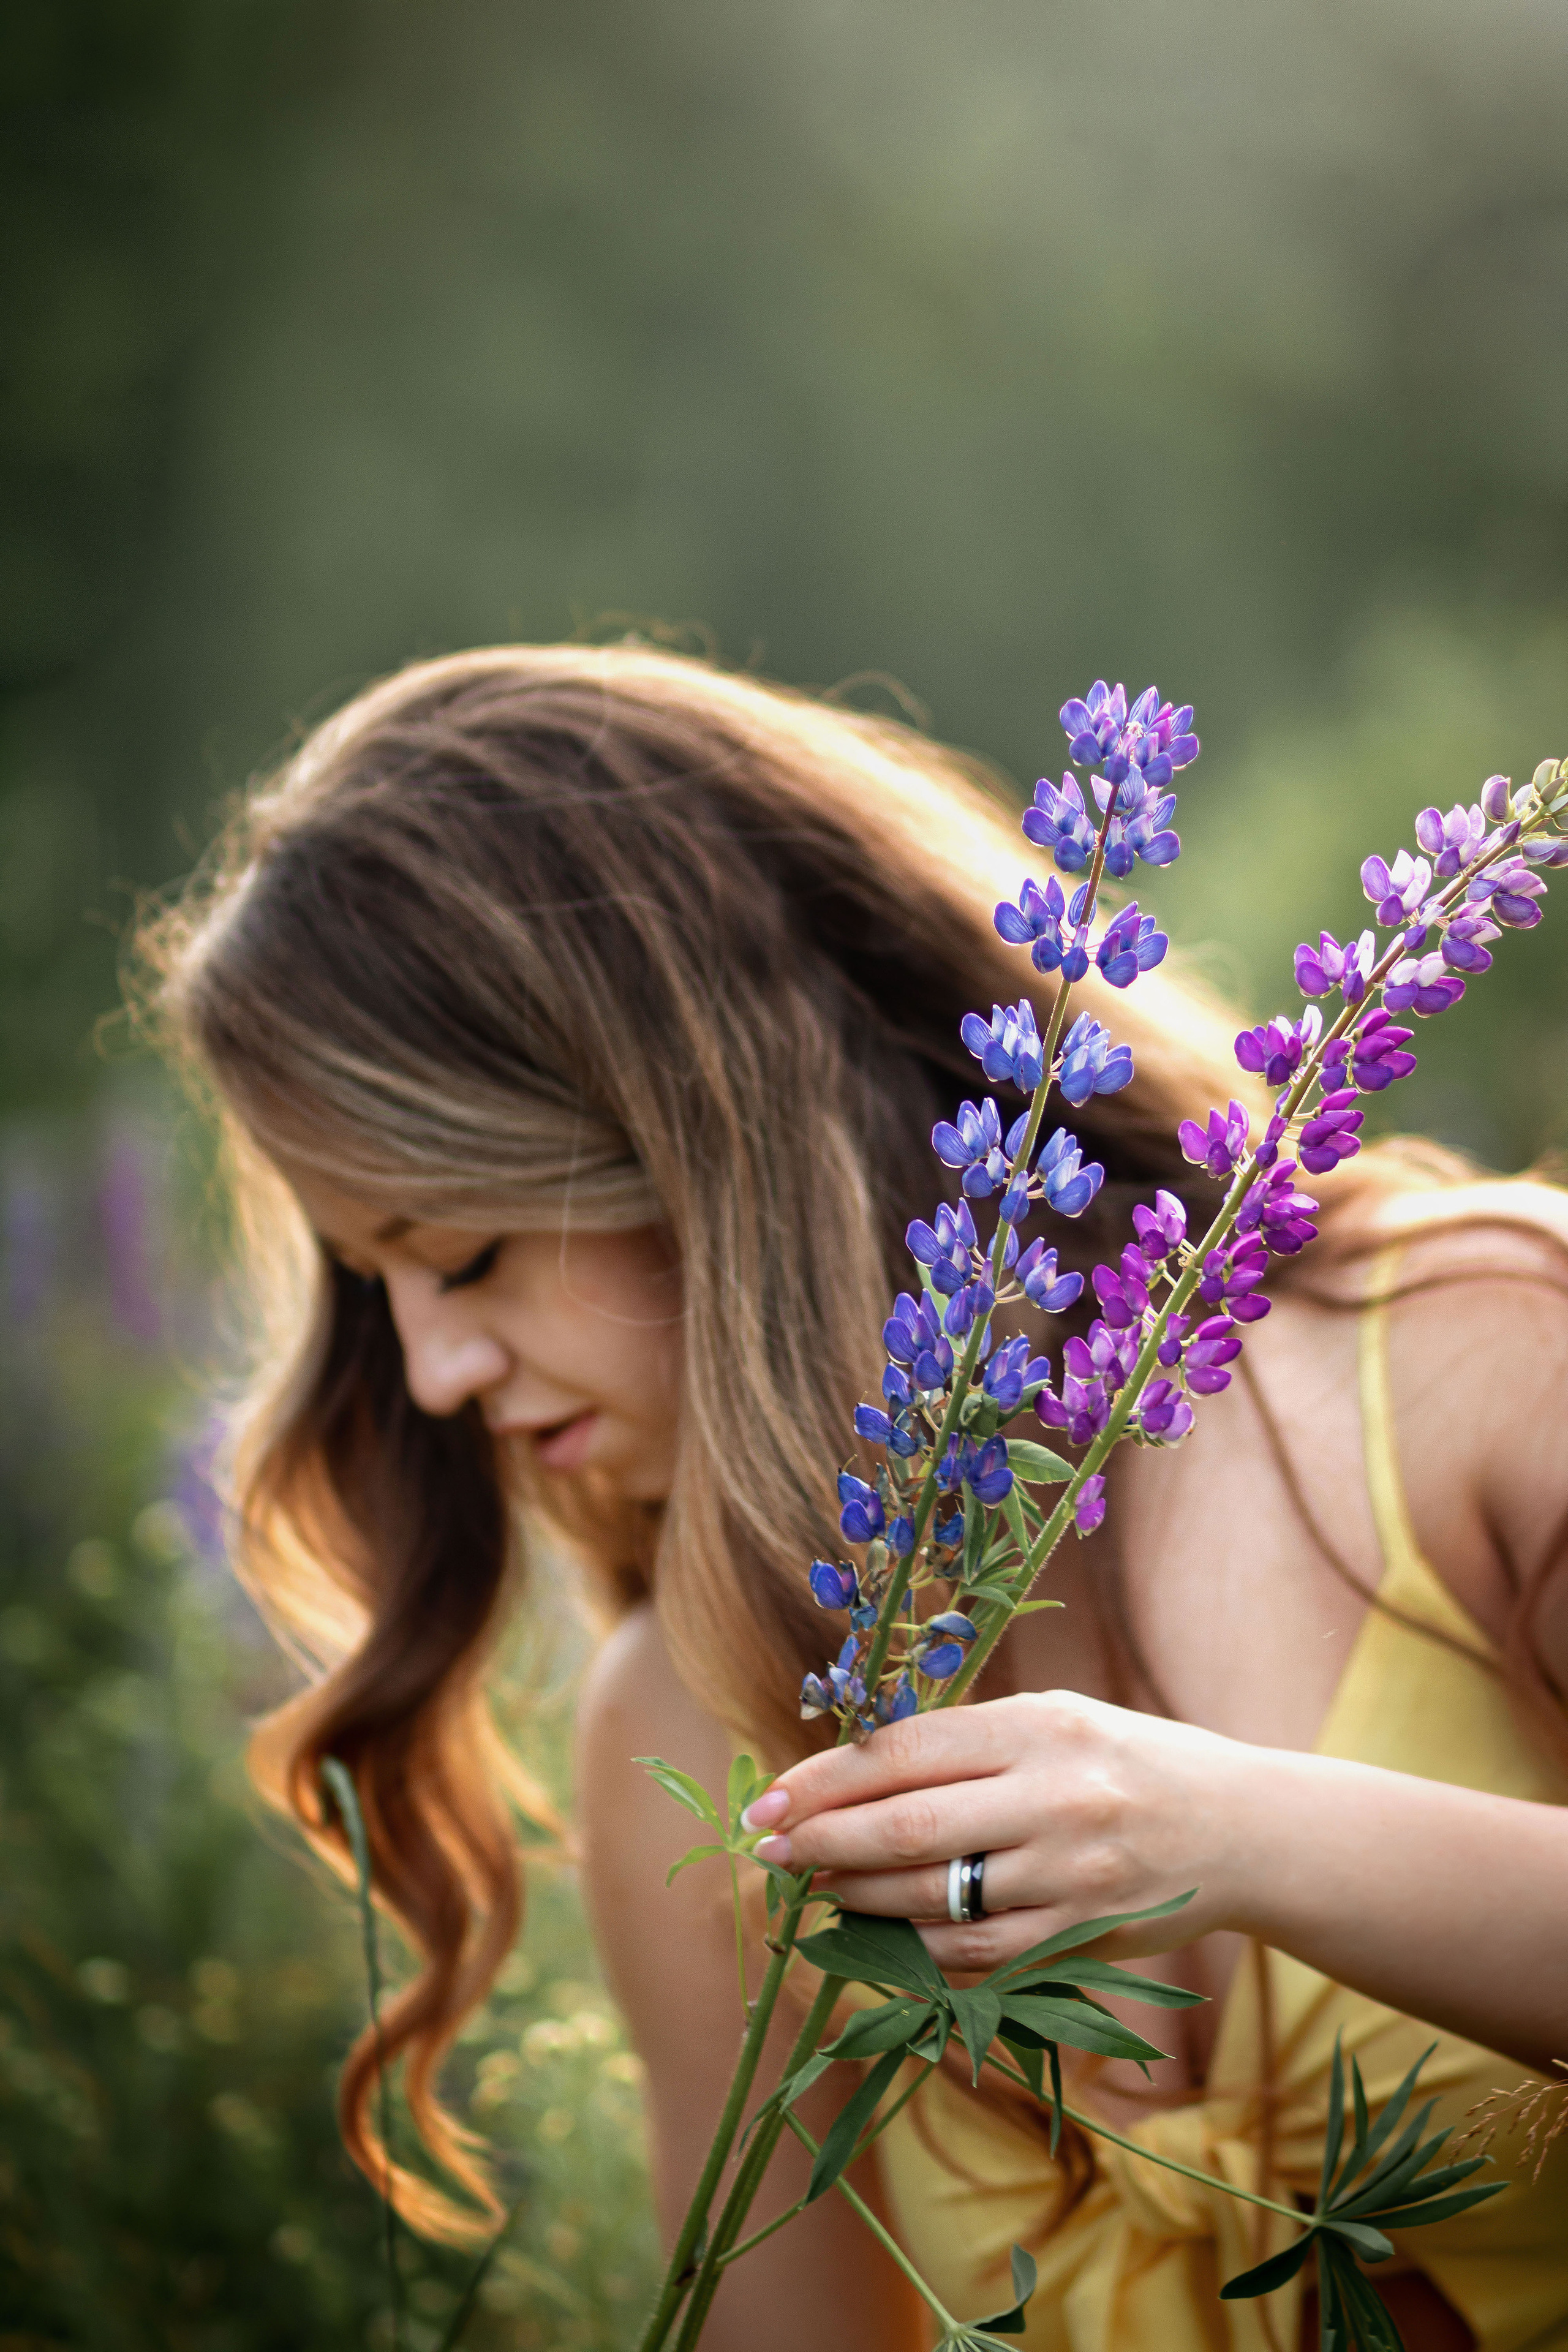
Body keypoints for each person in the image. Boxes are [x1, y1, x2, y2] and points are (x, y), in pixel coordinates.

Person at [138, 643, 1568, 2352]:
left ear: (709, 1140)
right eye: (378, 1287)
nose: (434, 1372)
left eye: (463, 1252)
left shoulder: (1465, 1361)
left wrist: (1235, 1836)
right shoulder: (681, 1719)